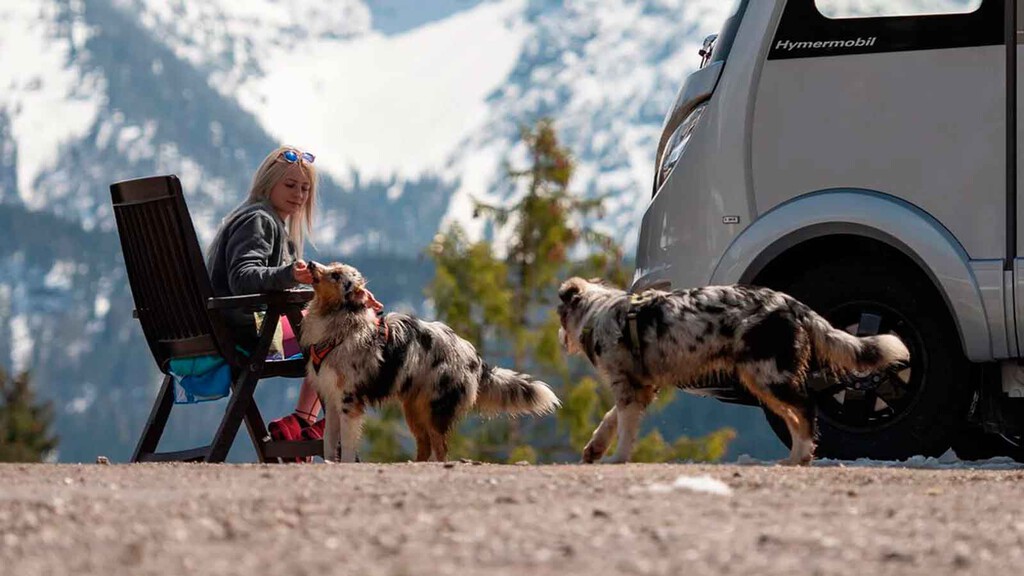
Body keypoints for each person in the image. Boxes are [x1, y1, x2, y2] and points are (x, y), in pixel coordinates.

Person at [206, 145, 325, 451]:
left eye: (304, 188)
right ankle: (305, 425)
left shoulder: (265, 221)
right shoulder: (258, 219)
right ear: (267, 182)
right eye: (290, 185)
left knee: (338, 333)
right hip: (250, 334)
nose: (298, 195)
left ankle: (303, 425)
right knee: (343, 341)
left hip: (238, 329)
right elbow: (244, 278)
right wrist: (289, 274)